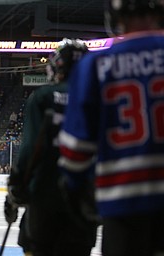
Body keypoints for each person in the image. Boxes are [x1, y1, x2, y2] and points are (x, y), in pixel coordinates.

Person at [58, 1, 164, 256]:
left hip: (122, 208)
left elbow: (75, 152)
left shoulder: (96, 65)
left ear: (115, 14)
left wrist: (76, 190)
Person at [4, 39, 97, 256]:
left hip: (45, 195)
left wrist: (14, 191)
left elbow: (30, 149)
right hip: (84, 199)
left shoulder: (43, 97)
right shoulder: (98, 98)